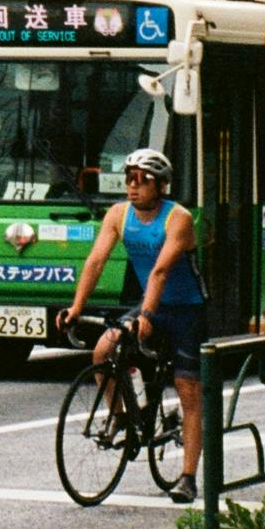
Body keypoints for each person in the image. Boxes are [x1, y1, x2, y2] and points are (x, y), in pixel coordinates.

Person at [57, 146, 208, 500]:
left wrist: (146, 316)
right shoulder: (117, 215)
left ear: (162, 187)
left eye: (144, 181)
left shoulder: (179, 219)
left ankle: (187, 477)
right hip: (150, 305)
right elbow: (95, 262)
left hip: (186, 308)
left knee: (188, 390)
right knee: (103, 349)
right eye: (129, 179)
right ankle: (123, 416)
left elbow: (160, 270)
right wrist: (76, 307)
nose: (133, 187)